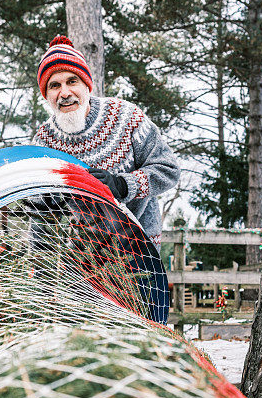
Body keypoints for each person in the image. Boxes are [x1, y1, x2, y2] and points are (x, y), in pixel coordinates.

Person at [32, 35, 181, 250]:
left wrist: (122, 185)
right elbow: (40, 211)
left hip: (138, 247)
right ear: (46, 95)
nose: (64, 93)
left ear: (87, 86)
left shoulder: (126, 117)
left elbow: (169, 170)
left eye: (72, 81)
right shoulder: (43, 142)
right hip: (83, 256)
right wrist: (39, 264)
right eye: (55, 85)